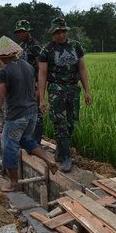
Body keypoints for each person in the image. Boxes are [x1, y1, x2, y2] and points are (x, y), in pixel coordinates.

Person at [0, 36, 58, 192]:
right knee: (24, 139)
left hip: (16, 116)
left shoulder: (5, 72)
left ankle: (13, 183)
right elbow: (35, 89)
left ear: (1, 56)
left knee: (9, 147)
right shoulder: (28, 66)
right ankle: (48, 160)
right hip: (32, 114)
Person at [38, 17, 92, 172]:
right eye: (57, 32)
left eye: (63, 31)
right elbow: (42, 75)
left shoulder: (76, 46)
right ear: (52, 33)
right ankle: (67, 158)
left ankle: (60, 152)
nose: (61, 35)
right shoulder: (47, 50)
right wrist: (42, 99)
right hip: (56, 90)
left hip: (73, 89)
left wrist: (87, 90)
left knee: (71, 123)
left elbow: (82, 69)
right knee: (60, 124)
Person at [14, 19, 44, 145]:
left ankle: (35, 141)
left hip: (34, 83)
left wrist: (39, 86)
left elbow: (41, 67)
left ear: (28, 31)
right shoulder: (20, 46)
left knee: (37, 113)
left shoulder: (35, 46)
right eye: (19, 32)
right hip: (24, 84)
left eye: (23, 31)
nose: (20, 34)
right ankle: (26, 139)